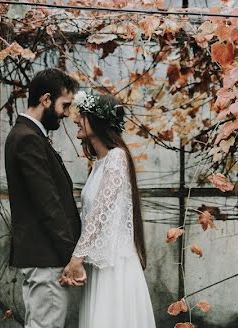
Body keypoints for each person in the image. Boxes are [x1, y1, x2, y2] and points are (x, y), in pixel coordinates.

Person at [59, 92, 155, 327]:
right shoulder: (98, 164)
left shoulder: (117, 158)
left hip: (114, 268)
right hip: (99, 266)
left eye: (82, 114)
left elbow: (99, 214)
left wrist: (76, 259)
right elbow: (89, 218)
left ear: (98, 120)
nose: (75, 119)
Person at [4, 68, 82, 328]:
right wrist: (71, 256)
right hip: (47, 257)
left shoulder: (28, 135)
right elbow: (47, 204)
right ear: (46, 99)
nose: (66, 113)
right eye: (65, 105)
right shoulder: (28, 139)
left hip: (43, 256)